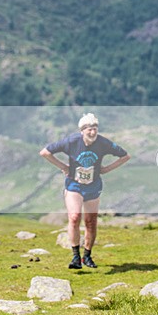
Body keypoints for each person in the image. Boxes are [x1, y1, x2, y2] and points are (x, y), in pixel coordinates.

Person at [40, 113, 130, 269]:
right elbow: (45, 152)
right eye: (89, 129)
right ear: (82, 130)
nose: (93, 132)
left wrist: (106, 169)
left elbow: (125, 156)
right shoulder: (71, 142)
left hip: (93, 185)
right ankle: (75, 257)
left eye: (95, 128)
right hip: (74, 185)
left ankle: (87, 256)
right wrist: (63, 167)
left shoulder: (103, 143)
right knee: (74, 217)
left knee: (91, 222)